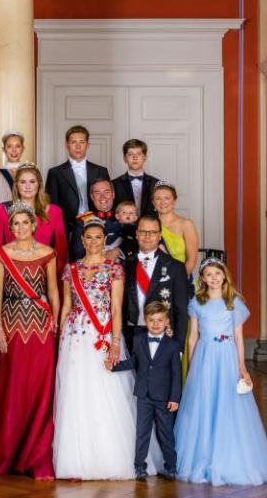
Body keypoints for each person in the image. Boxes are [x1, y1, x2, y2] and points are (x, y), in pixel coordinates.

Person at [53, 218, 158, 480]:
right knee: (76, 393)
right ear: (82, 240)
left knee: (106, 392)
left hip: (102, 334)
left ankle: (112, 456)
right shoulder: (70, 269)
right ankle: (78, 457)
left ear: (104, 239)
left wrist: (115, 343)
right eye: (88, 237)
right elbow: (66, 307)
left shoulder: (114, 269)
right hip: (75, 337)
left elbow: (115, 308)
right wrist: (60, 337)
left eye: (98, 237)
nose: (93, 242)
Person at [0, 203, 59, 480]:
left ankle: (35, 455)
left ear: (34, 225)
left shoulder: (48, 253)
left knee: (39, 390)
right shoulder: (2, 254)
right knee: (11, 390)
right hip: (11, 325)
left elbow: (53, 292)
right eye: (16, 224)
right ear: (10, 228)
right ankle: (7, 452)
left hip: (40, 327)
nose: (21, 227)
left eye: (25, 222)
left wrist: (55, 322)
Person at [174, 259, 267, 486]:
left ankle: (228, 457)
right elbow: (193, 338)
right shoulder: (197, 303)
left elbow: (238, 337)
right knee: (204, 402)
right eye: (208, 274)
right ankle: (202, 458)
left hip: (227, 356)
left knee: (227, 402)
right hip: (205, 356)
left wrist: (242, 366)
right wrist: (192, 367)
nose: (213, 278)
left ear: (224, 276)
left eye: (217, 274)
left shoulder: (233, 303)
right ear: (202, 278)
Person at [107, 301, 181, 481]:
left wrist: (174, 398)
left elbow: (176, 374)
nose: (156, 324)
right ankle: (140, 466)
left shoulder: (172, 345)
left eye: (159, 320)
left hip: (164, 398)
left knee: (165, 433)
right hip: (143, 395)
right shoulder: (139, 339)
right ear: (145, 321)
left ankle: (170, 466)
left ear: (166, 322)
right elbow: (134, 362)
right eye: (151, 320)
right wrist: (113, 366)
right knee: (142, 432)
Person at [0, 164, 68, 284]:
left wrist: (58, 286)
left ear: (39, 184)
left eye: (32, 181)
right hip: (11, 279)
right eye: (22, 182)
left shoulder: (54, 211)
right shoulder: (3, 210)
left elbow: (61, 253)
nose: (27, 186)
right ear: (16, 185)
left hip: (44, 280)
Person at [122, 215, 189, 353]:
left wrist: (179, 346)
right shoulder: (125, 265)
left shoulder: (175, 267)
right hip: (132, 334)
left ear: (160, 235)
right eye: (143, 231)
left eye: (152, 232)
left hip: (164, 334)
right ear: (136, 234)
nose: (147, 236)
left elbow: (181, 309)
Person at [45, 125, 111, 236]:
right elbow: (52, 206)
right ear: (67, 145)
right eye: (73, 142)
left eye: (82, 142)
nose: (78, 146)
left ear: (88, 145)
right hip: (67, 228)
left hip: (97, 224)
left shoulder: (101, 171)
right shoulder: (55, 173)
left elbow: (108, 200)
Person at [152, 181, 199, 279]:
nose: (162, 202)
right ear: (153, 202)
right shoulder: (149, 225)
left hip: (181, 278)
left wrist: (177, 283)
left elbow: (191, 261)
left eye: (167, 198)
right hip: (153, 279)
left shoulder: (186, 224)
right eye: (158, 199)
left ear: (174, 200)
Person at [69, 178, 122, 262]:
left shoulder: (125, 217)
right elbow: (77, 252)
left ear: (113, 194)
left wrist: (119, 251)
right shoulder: (83, 220)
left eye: (106, 192)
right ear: (92, 197)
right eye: (97, 193)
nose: (102, 197)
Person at [112, 139, 159, 217]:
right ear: (124, 158)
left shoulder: (156, 183)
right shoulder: (114, 184)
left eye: (139, 154)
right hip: (123, 228)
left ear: (145, 158)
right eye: (130, 154)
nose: (135, 158)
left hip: (150, 228)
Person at [0, 130, 27, 213]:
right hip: (2, 221)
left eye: (18, 146)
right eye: (9, 146)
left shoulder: (31, 173)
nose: (14, 150)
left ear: (23, 148)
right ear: (4, 149)